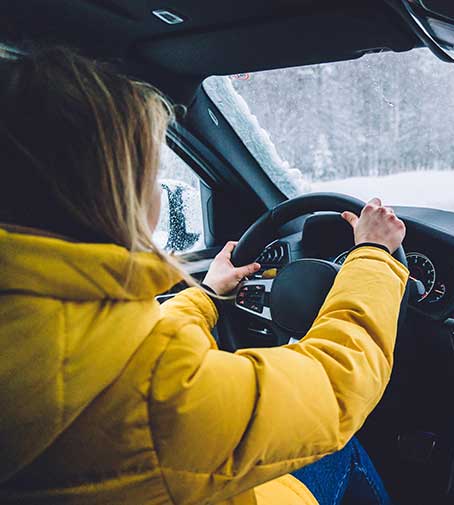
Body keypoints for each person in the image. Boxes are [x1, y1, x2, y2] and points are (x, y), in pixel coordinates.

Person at [0, 46, 409, 505]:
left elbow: (124, 350)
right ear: (116, 191)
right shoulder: (157, 388)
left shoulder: (36, 320)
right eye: (149, 172)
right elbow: (337, 385)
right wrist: (373, 254)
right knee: (340, 449)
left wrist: (208, 295)